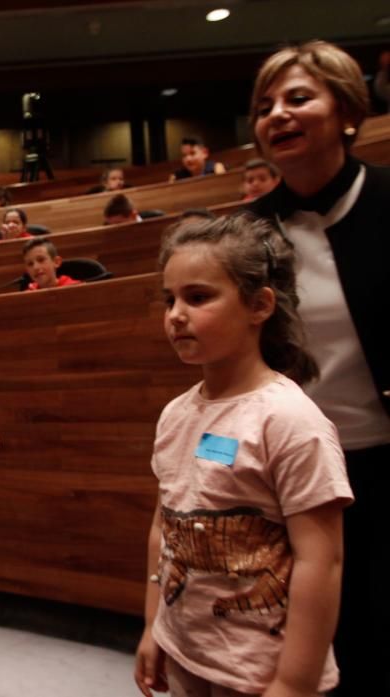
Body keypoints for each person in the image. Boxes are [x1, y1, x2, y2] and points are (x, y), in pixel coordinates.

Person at [135, 214, 353, 697]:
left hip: (260, 671)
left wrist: (294, 682)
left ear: (259, 305)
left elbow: (321, 562)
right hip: (186, 650)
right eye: (170, 299)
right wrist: (153, 625)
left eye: (198, 297)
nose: (176, 314)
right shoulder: (174, 415)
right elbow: (163, 527)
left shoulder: (290, 420)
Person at [245, 40, 390, 695]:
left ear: (347, 111)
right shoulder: (248, 235)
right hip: (299, 475)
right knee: (322, 643)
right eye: (264, 106)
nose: (277, 114)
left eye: (298, 98)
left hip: (385, 457)